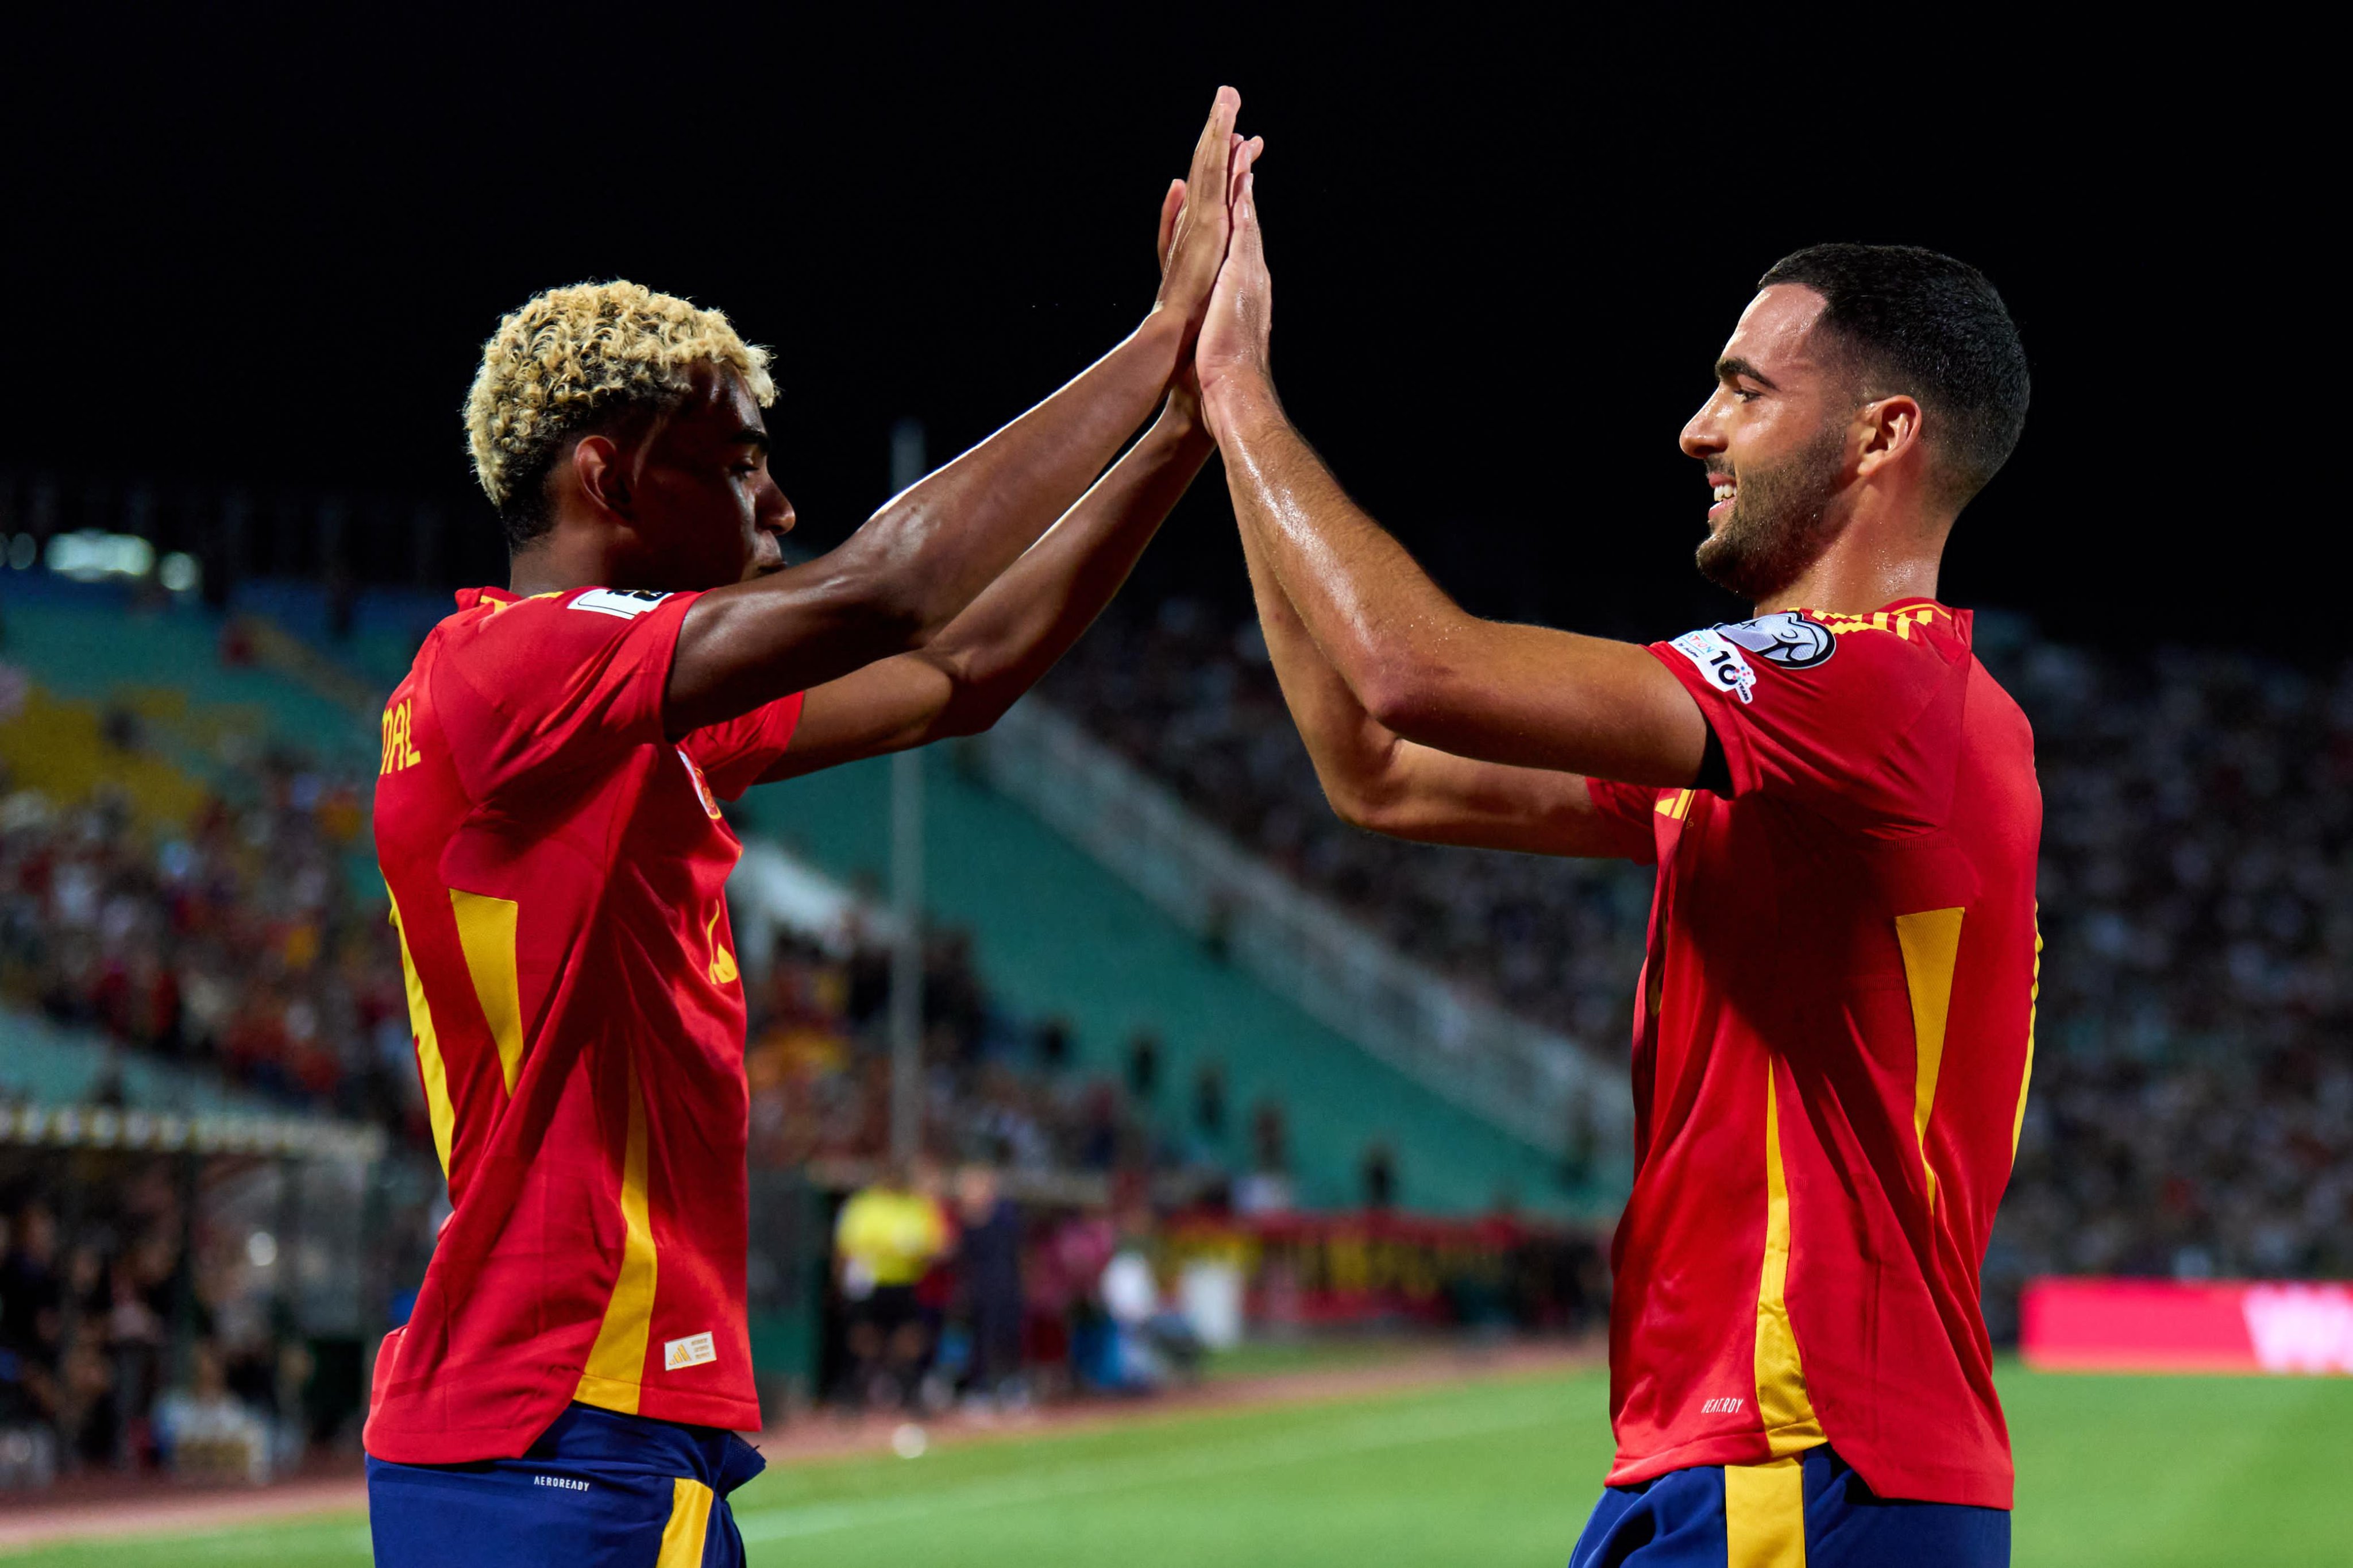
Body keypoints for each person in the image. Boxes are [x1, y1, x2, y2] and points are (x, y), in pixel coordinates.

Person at [360, 88, 1262, 1568]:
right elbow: (891, 589)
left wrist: (1179, 434)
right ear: (612, 475)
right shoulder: (507, 668)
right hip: (559, 1431)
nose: (776, 498)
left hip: (581, 1436)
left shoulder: (600, 713)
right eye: (736, 462)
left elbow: (960, 676)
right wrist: (1156, 337)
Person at [1197, 171, 2035, 1568]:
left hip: (1807, 1456)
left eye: (1746, 391)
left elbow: (1415, 671)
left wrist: (1242, 394)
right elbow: (1378, 770)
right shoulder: (1805, 750)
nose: (1696, 427)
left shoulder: (1875, 696)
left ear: (1885, 433)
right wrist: (1218, 439)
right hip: (1733, 1453)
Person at [832, 1158, 952, 1410]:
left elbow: (939, 1246)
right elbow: (846, 1248)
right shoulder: (864, 1205)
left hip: (905, 1283)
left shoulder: (917, 1206)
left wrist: (917, 1250)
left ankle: (909, 1392)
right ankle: (853, 1394)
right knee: (863, 1338)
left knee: (909, 1340)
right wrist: (840, 1285)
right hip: (870, 1285)